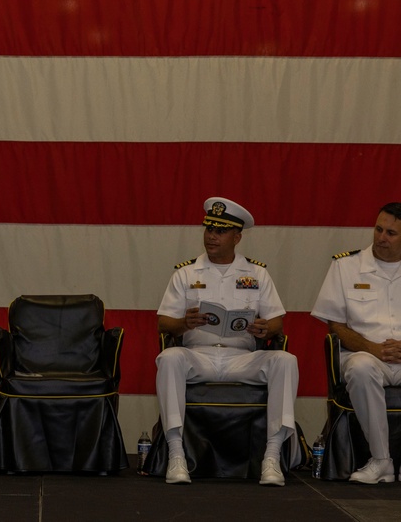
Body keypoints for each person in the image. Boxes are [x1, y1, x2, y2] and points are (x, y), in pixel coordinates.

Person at [155, 197, 298, 486]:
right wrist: (185, 323)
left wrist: (263, 329)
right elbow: (163, 322)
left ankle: (271, 456)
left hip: (241, 358)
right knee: (169, 358)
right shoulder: (186, 272)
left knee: (286, 360)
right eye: (208, 229)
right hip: (198, 356)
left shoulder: (257, 273)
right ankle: (176, 453)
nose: (211, 236)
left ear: (237, 237)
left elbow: (277, 323)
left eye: (220, 231)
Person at [311, 202, 401, 484]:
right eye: (378, 229)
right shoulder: (346, 265)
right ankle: (381, 460)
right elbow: (335, 325)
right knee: (361, 368)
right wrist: (371, 348)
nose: (381, 237)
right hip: (364, 354)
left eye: (391, 233)